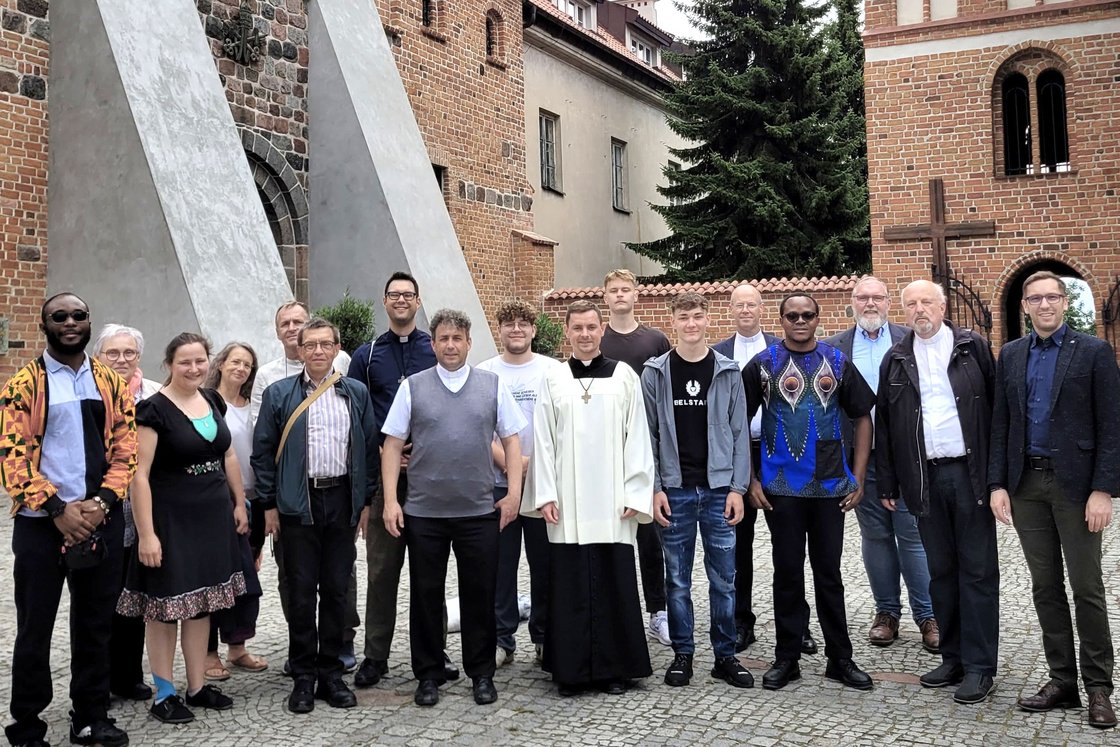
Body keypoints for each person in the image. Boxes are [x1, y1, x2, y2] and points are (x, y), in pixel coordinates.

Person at [0, 294, 136, 747]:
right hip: (42, 524)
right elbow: (12, 456)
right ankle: (27, 725)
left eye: (79, 315)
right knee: (35, 627)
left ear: (88, 322)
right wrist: (57, 508)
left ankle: (90, 716)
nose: (71, 322)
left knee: (95, 623)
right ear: (45, 324)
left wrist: (100, 503)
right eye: (60, 316)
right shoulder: (24, 384)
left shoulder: (108, 382)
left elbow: (126, 449)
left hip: (99, 517)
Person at [989, 270, 1119, 728]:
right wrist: (998, 483)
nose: (1044, 305)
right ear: (1024, 306)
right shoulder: (1011, 354)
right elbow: (1001, 422)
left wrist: (1103, 489)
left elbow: (1111, 424)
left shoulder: (1095, 352)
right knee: (1045, 587)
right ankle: (1062, 680)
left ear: (1066, 303)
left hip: (1077, 489)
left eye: (1052, 298)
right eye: (1035, 299)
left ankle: (1099, 687)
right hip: (1026, 487)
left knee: (1087, 588)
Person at [382, 309, 526, 707]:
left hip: (479, 511)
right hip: (424, 513)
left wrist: (513, 494)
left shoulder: (491, 385)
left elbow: (512, 441)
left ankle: (481, 673)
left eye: (457, 339)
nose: (450, 346)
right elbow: (393, 444)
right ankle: (428, 675)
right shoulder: (413, 387)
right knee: (426, 596)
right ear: (433, 344)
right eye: (443, 339)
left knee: (479, 595)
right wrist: (392, 501)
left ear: (468, 342)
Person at [742, 293, 875, 692]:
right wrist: (750, 479)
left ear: (819, 318)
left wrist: (859, 476)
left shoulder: (837, 362)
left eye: (807, 315)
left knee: (829, 574)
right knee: (786, 573)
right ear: (780, 319)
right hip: (780, 486)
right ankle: (787, 658)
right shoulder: (763, 365)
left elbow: (862, 416)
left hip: (830, 485)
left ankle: (840, 658)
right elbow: (737, 421)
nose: (800, 321)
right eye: (792, 315)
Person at [875, 279, 999, 705]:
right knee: (941, 572)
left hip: (970, 474)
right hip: (923, 478)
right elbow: (887, 428)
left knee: (978, 571)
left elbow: (996, 411)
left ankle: (981, 667)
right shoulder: (895, 359)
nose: (919, 310)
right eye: (910, 304)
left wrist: (996, 477)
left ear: (943, 307)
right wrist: (889, 482)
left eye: (927, 301)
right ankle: (953, 657)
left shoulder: (972, 347)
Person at [116, 332, 248, 725]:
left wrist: (239, 503)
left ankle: (196, 686)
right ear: (169, 365)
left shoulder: (211, 400)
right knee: (163, 608)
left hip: (213, 520)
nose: (194, 368)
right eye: (185, 362)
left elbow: (228, 455)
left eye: (199, 361)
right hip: (170, 522)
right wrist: (147, 534)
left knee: (201, 603)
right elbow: (139, 476)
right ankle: (165, 693)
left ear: (209, 362)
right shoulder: (152, 410)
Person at [527, 299, 655, 696]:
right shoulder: (553, 379)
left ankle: (616, 669)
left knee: (614, 581)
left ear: (602, 331)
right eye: (577, 328)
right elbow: (543, 440)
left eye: (591, 327)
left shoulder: (624, 378)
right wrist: (545, 493)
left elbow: (638, 437)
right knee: (569, 585)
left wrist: (637, 490)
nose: (584, 334)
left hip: (614, 500)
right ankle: (571, 671)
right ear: (567, 332)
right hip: (567, 503)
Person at [252, 318, 379, 714]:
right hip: (296, 504)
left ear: (337, 348)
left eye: (326, 344)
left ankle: (331, 674)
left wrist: (366, 503)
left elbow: (370, 449)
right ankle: (303, 676)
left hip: (341, 500)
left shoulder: (355, 392)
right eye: (311, 345)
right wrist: (270, 505)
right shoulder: (278, 394)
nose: (319, 351)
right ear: (300, 350)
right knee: (302, 591)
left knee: (338, 590)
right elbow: (262, 452)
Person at [348, 272, 456, 687]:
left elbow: (451, 404)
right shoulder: (367, 352)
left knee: (431, 572)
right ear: (384, 300)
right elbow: (358, 411)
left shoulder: (434, 349)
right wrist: (382, 450)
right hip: (384, 479)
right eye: (394, 294)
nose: (401, 300)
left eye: (408, 295)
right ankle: (375, 656)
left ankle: (435, 652)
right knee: (382, 571)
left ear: (418, 300)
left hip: (431, 476)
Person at [641, 292, 753, 688]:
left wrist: (738, 488)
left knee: (724, 579)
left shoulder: (728, 370)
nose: (691, 324)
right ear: (674, 321)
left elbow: (740, 433)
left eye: (697, 316)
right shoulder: (655, 373)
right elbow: (648, 436)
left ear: (708, 319)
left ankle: (725, 656)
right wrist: (655, 488)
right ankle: (682, 654)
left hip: (720, 490)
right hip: (675, 491)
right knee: (678, 579)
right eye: (684, 317)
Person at [824, 277, 938, 652]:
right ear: (851, 303)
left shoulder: (911, 340)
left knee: (912, 534)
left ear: (889, 303)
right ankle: (886, 612)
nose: (870, 303)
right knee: (874, 535)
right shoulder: (834, 348)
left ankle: (928, 615)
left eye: (877, 297)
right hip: (860, 457)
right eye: (862, 298)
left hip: (906, 455)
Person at [713, 282, 816, 656]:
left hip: (779, 454)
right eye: (738, 305)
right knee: (737, 546)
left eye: (751, 305)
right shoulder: (716, 353)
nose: (745, 311)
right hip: (734, 456)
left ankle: (797, 626)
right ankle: (741, 622)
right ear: (731, 310)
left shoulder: (783, 347)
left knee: (788, 545)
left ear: (762, 309)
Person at [476, 300, 561, 668]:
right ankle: (501, 639)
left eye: (523, 323)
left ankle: (544, 636)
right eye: (509, 323)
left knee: (546, 566)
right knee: (500, 567)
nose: (516, 330)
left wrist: (533, 465)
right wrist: (512, 464)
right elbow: (479, 429)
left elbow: (562, 426)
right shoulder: (484, 373)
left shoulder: (553, 371)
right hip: (497, 485)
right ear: (500, 330)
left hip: (543, 483)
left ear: (533, 330)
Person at [598, 268, 672, 647]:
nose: (621, 295)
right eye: (614, 290)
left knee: (650, 535)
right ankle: (614, 609)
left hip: (647, 446)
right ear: (606, 296)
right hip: (605, 448)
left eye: (627, 289)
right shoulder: (598, 338)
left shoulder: (655, 340)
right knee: (611, 531)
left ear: (636, 295)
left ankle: (658, 611)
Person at [93, 323, 160, 704]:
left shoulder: (152, 394)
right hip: (102, 508)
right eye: (113, 353)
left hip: (143, 512)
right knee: (101, 599)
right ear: (99, 356)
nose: (121, 359)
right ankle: (97, 679)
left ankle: (129, 675)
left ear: (139, 356)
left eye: (129, 353)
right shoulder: (89, 392)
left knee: (134, 597)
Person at [202, 343, 267, 680]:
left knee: (247, 579)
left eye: (247, 364)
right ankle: (208, 653)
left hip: (252, 499)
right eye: (235, 362)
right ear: (222, 364)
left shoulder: (253, 405)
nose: (241, 368)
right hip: (221, 500)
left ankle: (238, 647)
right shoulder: (207, 401)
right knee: (217, 579)